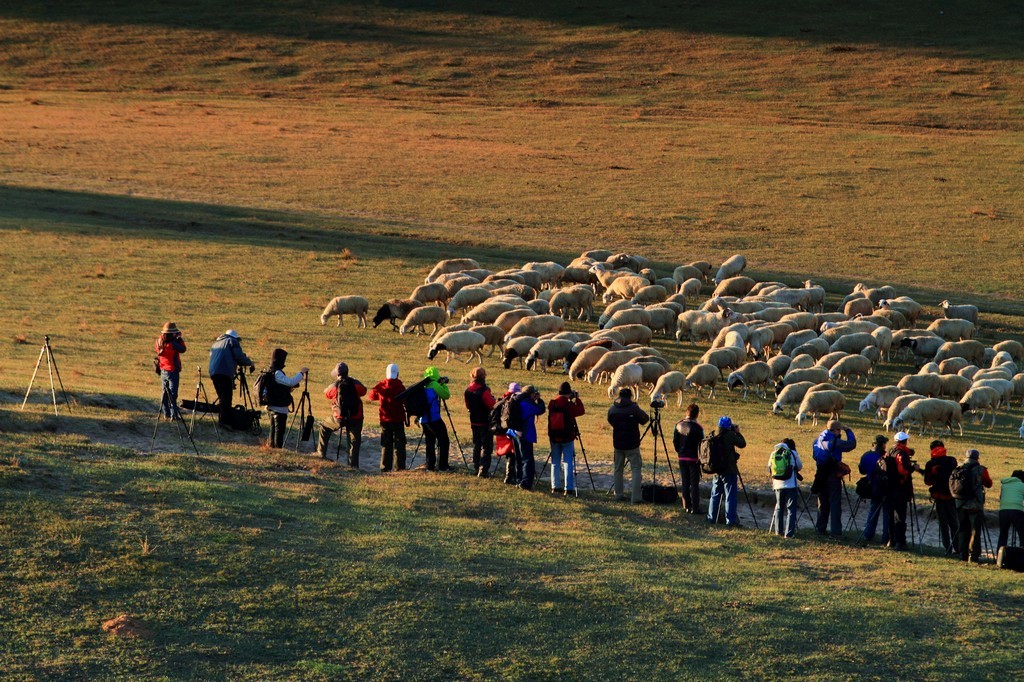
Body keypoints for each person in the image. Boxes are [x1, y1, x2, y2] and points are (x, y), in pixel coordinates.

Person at [812, 419, 857, 538]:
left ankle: (820, 528)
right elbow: (851, 445)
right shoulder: (834, 441)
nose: (840, 432)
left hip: (820, 474)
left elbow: (814, 456)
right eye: (840, 430)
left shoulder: (817, 441)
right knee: (835, 503)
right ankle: (836, 532)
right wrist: (848, 430)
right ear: (835, 430)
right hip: (832, 475)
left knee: (822, 502)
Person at [318, 362, 367, 467]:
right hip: (356, 417)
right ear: (347, 372)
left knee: (324, 427)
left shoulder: (335, 386)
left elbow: (327, 393)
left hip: (339, 417)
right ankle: (353, 465)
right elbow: (364, 391)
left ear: (337, 374)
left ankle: (321, 453)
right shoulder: (355, 383)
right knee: (354, 441)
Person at [607, 388, 649, 504]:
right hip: (632, 444)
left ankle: (618, 494)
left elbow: (610, 420)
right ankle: (635, 497)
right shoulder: (633, 408)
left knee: (618, 469)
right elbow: (645, 419)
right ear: (630, 396)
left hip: (618, 443)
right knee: (636, 469)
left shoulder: (613, 409)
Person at [208, 330, 255, 428]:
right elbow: (239, 356)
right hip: (224, 372)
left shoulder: (216, 343)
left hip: (213, 372)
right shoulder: (232, 341)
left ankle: (222, 419)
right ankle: (224, 422)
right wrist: (250, 362)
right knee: (226, 397)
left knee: (222, 397)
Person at [547, 382, 586, 496]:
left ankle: (555, 486)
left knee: (555, 461)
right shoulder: (569, 406)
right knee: (568, 461)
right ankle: (568, 488)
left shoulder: (552, 404)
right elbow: (581, 411)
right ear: (569, 393)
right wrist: (577, 399)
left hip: (554, 436)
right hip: (567, 437)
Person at [955, 448, 993, 563]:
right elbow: (989, 483)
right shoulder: (981, 470)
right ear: (977, 458)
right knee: (975, 531)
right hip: (975, 504)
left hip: (960, 503)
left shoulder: (958, 468)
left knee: (962, 529)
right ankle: (974, 556)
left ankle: (963, 555)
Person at [264, 348, 307, 448]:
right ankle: (277, 449)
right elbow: (290, 382)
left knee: (273, 429)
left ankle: (271, 448)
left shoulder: (270, 371)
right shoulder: (277, 373)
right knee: (279, 431)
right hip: (279, 407)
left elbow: (278, 386)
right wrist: (301, 373)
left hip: (272, 405)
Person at [885, 431, 921, 551]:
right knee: (900, 517)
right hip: (900, 489)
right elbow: (903, 471)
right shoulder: (902, 454)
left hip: (889, 488)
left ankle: (891, 539)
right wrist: (913, 468)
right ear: (905, 441)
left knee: (891, 515)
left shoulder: (890, 451)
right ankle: (900, 542)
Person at [707, 416, 746, 526]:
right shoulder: (729, 435)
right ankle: (731, 521)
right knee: (730, 496)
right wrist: (737, 432)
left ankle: (711, 518)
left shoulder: (713, 433)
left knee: (715, 494)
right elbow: (742, 444)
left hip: (716, 469)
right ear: (729, 426)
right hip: (729, 469)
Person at [923, 439, 959, 556]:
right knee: (954, 523)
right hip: (951, 495)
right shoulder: (952, 461)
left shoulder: (930, 464)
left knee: (943, 524)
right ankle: (958, 548)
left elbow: (928, 482)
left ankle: (947, 548)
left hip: (939, 496)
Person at [368, 364, 407, 472]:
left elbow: (371, 396)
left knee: (386, 444)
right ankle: (399, 467)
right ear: (397, 374)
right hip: (398, 419)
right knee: (399, 444)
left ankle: (385, 467)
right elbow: (404, 400)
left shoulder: (381, 385)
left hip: (385, 420)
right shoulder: (400, 386)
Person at [858, 435, 891, 546]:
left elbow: (862, 470)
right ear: (882, 444)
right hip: (884, 486)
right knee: (887, 512)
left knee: (873, 510)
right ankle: (886, 538)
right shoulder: (884, 457)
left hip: (871, 486)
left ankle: (868, 534)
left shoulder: (866, 455)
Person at [672, 403, 704, 514]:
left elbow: (675, 441)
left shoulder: (678, 425)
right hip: (693, 458)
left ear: (687, 412)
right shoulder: (698, 428)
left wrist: (679, 451)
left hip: (682, 457)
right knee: (694, 483)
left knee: (685, 481)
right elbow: (702, 444)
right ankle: (695, 507)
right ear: (697, 415)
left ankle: (686, 505)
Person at [464, 367, 496, 478]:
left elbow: (467, 406)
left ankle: (476, 467)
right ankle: (483, 471)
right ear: (483, 376)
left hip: (474, 421)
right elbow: (492, 405)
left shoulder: (468, 390)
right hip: (485, 422)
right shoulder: (484, 391)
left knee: (477, 445)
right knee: (486, 447)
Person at [769, 438, 802, 538]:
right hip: (791, 485)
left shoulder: (773, 453)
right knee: (791, 509)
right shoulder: (792, 453)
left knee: (779, 508)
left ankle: (778, 531)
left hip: (778, 485)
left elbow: (769, 468)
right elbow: (799, 466)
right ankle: (789, 533)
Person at [420, 367, 451, 471]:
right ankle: (443, 466)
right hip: (434, 418)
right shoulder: (434, 385)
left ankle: (430, 465)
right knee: (444, 440)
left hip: (423, 419)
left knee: (430, 442)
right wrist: (443, 384)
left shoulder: (423, 385)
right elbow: (446, 395)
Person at [516, 385, 546, 490]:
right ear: (531, 394)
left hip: (515, 433)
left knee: (519, 458)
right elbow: (540, 410)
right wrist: (539, 400)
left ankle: (518, 479)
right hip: (525, 434)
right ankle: (526, 482)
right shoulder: (526, 404)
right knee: (527, 459)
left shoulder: (518, 401)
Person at [154, 321, 186, 419]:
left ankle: (166, 413)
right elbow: (183, 349)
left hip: (163, 369)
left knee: (164, 392)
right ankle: (174, 415)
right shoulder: (172, 344)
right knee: (173, 393)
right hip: (172, 370)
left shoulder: (159, 341)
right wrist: (179, 339)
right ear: (172, 333)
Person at [497, 382, 523, 485]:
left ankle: (509, 476)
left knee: (509, 454)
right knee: (513, 453)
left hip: (501, 429)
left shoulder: (502, 399)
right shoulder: (514, 401)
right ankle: (510, 476)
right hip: (511, 430)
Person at [997, 470, 1024, 553]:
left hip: (1003, 511)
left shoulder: (1004, 485)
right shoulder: (1022, 485)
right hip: (1017, 511)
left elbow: (1001, 497)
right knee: (1022, 535)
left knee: (1003, 534)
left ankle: (1000, 556)